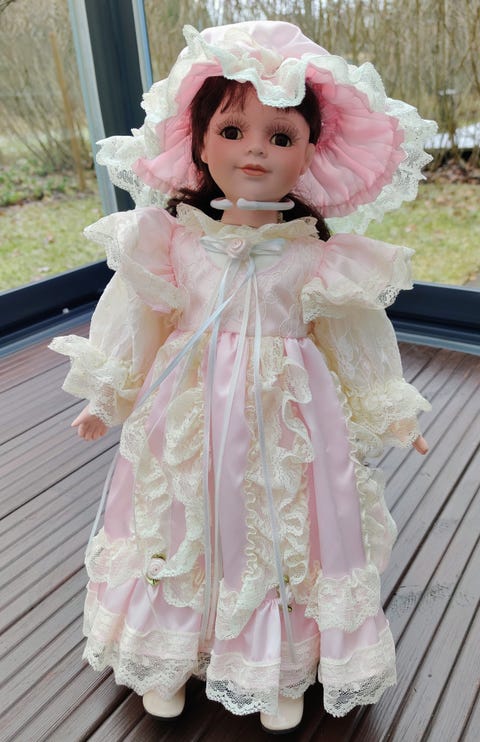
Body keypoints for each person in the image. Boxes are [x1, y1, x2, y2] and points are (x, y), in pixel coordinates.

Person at [50, 21, 435, 733]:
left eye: (280, 136)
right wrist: (108, 394)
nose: (255, 149)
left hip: (286, 418)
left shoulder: (317, 254)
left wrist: (390, 410)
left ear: (309, 153)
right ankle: (167, 651)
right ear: (199, 145)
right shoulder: (172, 240)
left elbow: (354, 338)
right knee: (182, 520)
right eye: (232, 131)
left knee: (284, 528)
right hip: (188, 411)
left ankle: (278, 660)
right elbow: (137, 318)